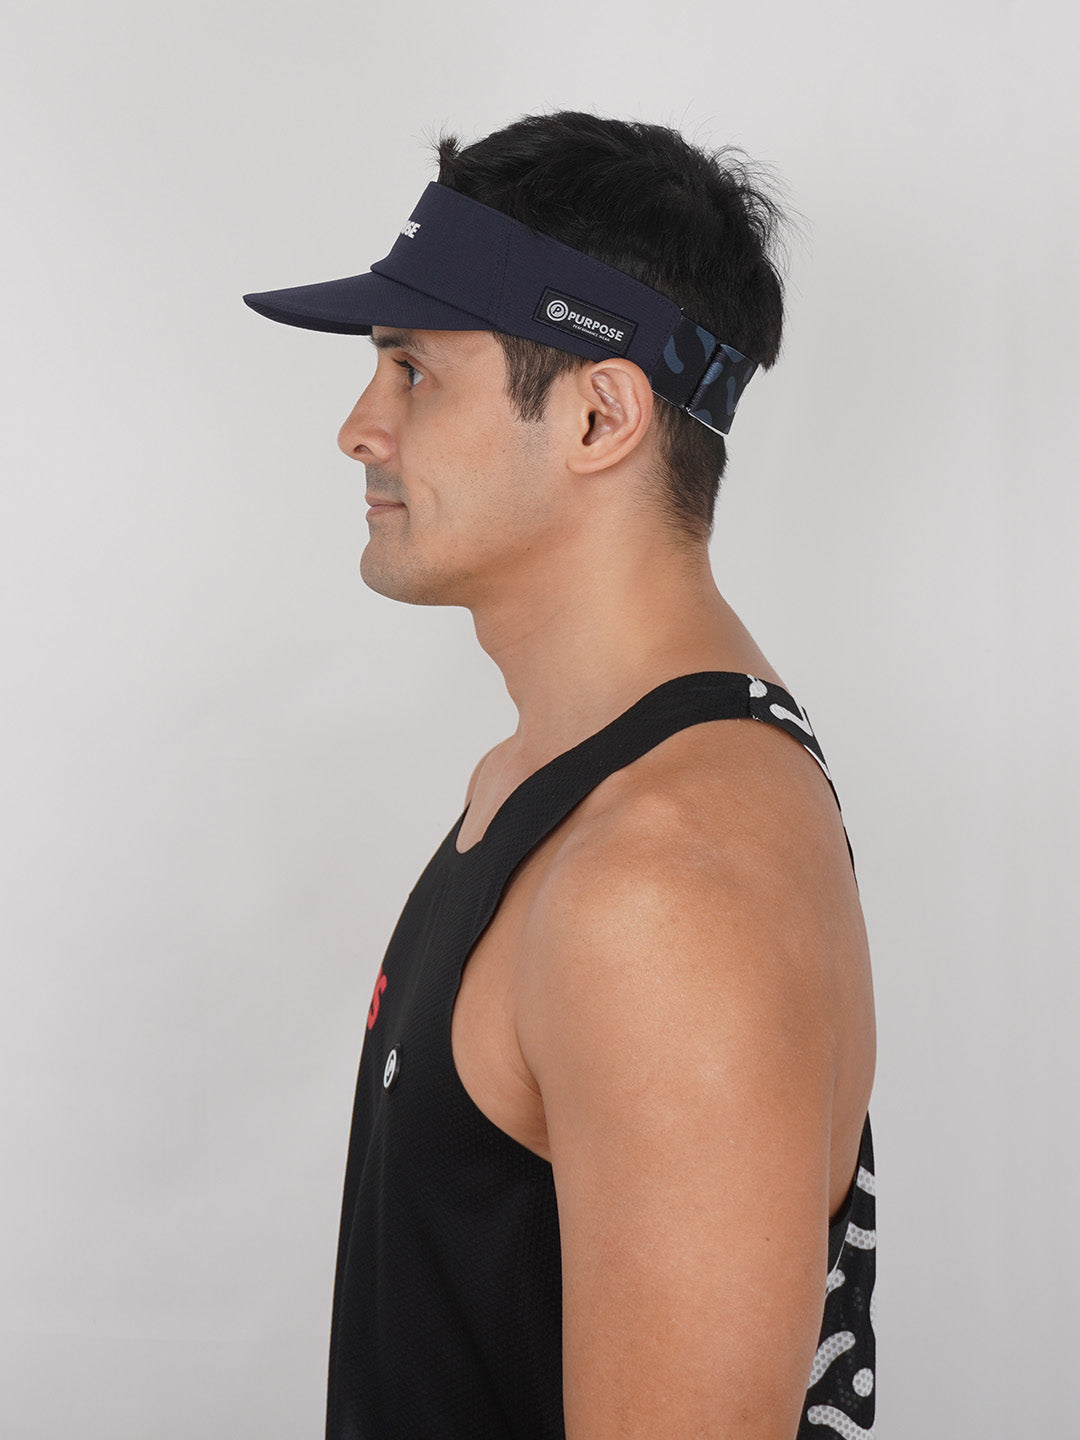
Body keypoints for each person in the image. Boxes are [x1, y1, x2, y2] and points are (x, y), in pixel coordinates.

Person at [244, 110, 876, 1440]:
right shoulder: (548, 790)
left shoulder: (663, 887)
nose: (360, 429)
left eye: (413, 370)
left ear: (599, 414)